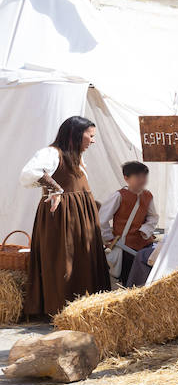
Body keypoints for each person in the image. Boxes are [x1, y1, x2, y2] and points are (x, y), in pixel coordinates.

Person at [21, 116, 110, 316]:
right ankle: (61, 309)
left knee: (83, 258)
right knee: (63, 259)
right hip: (63, 218)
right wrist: (55, 189)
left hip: (81, 216)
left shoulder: (76, 157)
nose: (93, 141)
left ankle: (83, 308)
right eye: (91, 135)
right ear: (77, 134)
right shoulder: (52, 153)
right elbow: (29, 173)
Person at [98, 161, 158, 287]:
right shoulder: (119, 196)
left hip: (144, 245)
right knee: (129, 281)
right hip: (125, 248)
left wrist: (146, 230)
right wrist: (109, 238)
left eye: (144, 176)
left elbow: (153, 217)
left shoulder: (148, 195)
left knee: (144, 281)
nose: (142, 180)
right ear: (126, 178)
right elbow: (102, 219)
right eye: (137, 176)